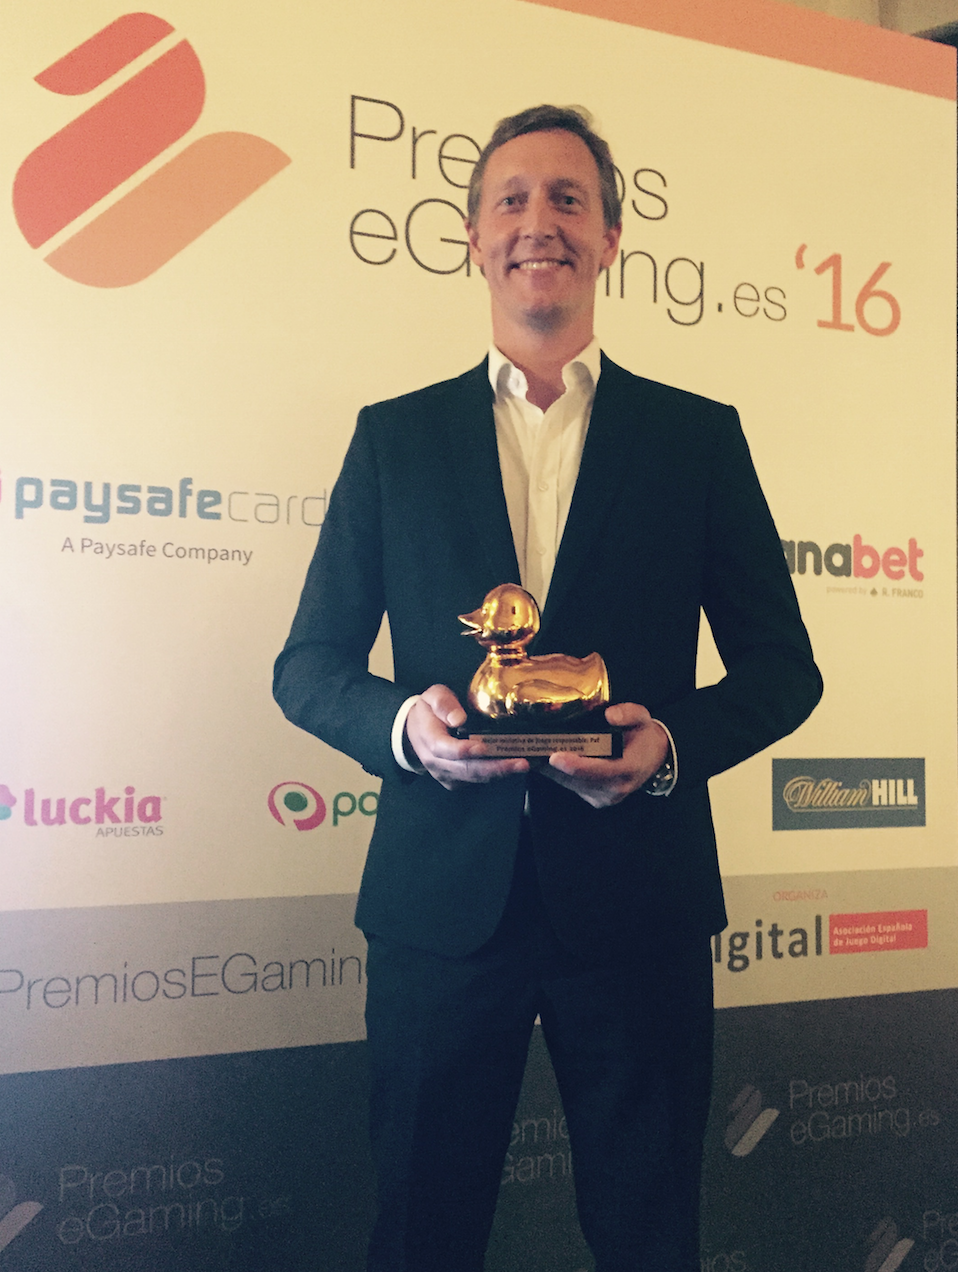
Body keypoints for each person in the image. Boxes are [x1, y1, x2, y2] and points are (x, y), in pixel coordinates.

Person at [274, 105, 822, 1272]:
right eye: (512, 199)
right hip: (439, 911)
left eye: (569, 199)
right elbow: (308, 666)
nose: (540, 222)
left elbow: (783, 668)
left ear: (611, 238)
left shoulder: (695, 440)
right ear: (474, 237)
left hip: (637, 906)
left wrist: (668, 747)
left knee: (648, 1236)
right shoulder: (394, 440)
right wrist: (403, 729)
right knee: (420, 1235)